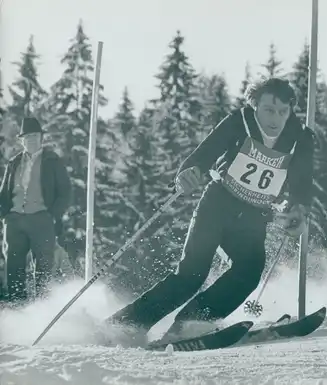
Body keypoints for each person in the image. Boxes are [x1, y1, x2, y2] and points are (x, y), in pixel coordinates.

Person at [107, 77, 314, 341]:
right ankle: (125, 324)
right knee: (192, 274)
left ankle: (192, 322)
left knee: (249, 271)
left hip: (254, 216)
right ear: (255, 106)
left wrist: (298, 208)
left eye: (283, 112)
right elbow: (204, 154)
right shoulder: (238, 122)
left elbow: (302, 181)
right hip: (218, 204)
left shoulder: (301, 138)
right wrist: (189, 172)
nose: (276, 119)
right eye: (269, 110)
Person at [0, 117, 71, 304]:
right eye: (27, 137)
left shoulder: (52, 161)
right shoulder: (14, 162)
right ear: (21, 140)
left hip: (42, 220)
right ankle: (17, 307)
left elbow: (65, 192)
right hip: (14, 221)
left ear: (41, 138)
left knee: (43, 268)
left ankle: (42, 309)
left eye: (34, 136)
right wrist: (4, 216)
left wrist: (52, 216)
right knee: (13, 267)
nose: (31, 139)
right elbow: (4, 192)